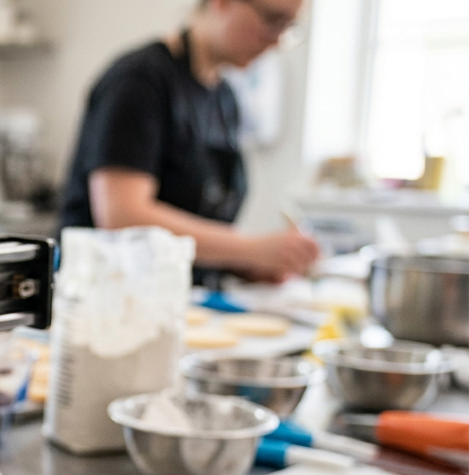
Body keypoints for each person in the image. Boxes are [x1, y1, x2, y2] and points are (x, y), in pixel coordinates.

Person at [58, 0, 318, 284]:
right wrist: (248, 249)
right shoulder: (139, 81)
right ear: (223, 4)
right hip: (109, 295)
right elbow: (121, 216)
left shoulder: (224, 98)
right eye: (272, 20)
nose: (277, 39)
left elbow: (197, 234)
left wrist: (252, 265)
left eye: (288, 26)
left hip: (182, 298)